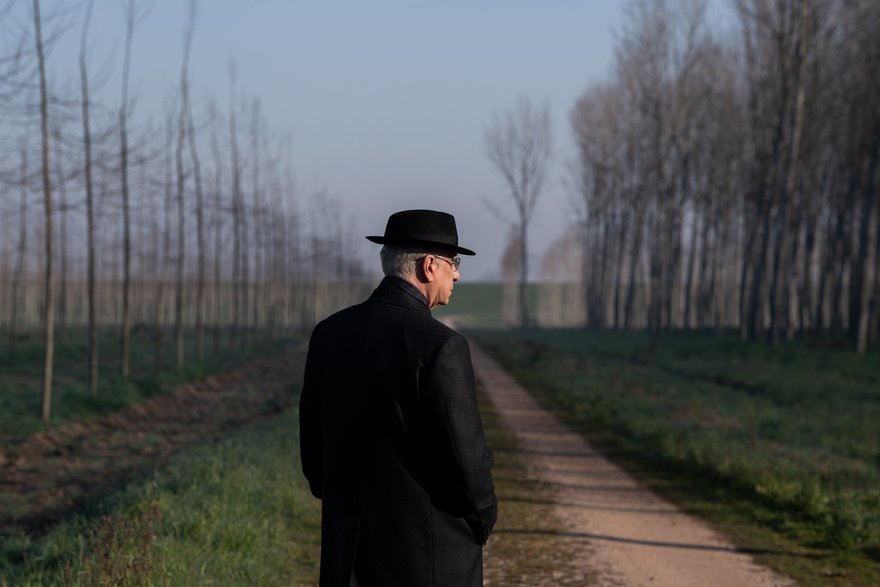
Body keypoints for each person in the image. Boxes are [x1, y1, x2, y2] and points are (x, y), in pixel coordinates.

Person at [299, 209, 497, 587]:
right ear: (429, 266)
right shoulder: (441, 346)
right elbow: (466, 458)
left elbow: (313, 449)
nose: (457, 275)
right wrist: (484, 515)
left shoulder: (329, 334)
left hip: (347, 552)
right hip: (427, 556)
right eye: (454, 263)